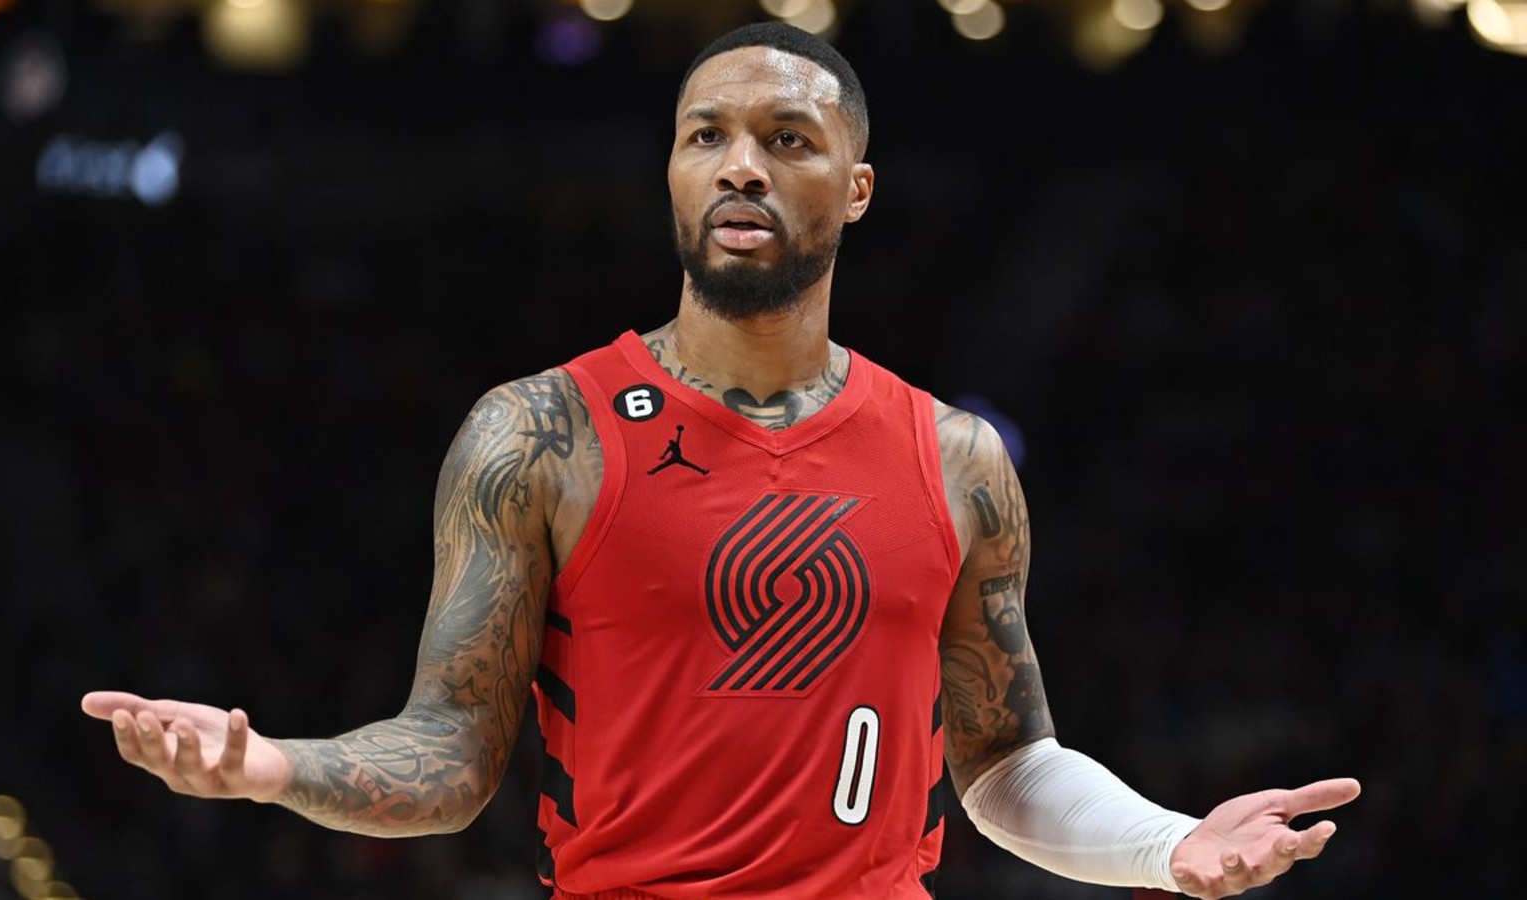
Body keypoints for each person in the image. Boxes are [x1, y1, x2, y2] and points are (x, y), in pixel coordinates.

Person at [82, 22, 1359, 900]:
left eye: (786, 139)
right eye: (707, 136)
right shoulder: (539, 434)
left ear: (856, 188)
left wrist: (1167, 846)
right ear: (673, 172)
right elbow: (451, 756)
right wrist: (269, 766)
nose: (740, 164)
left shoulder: (956, 458)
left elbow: (1006, 765)